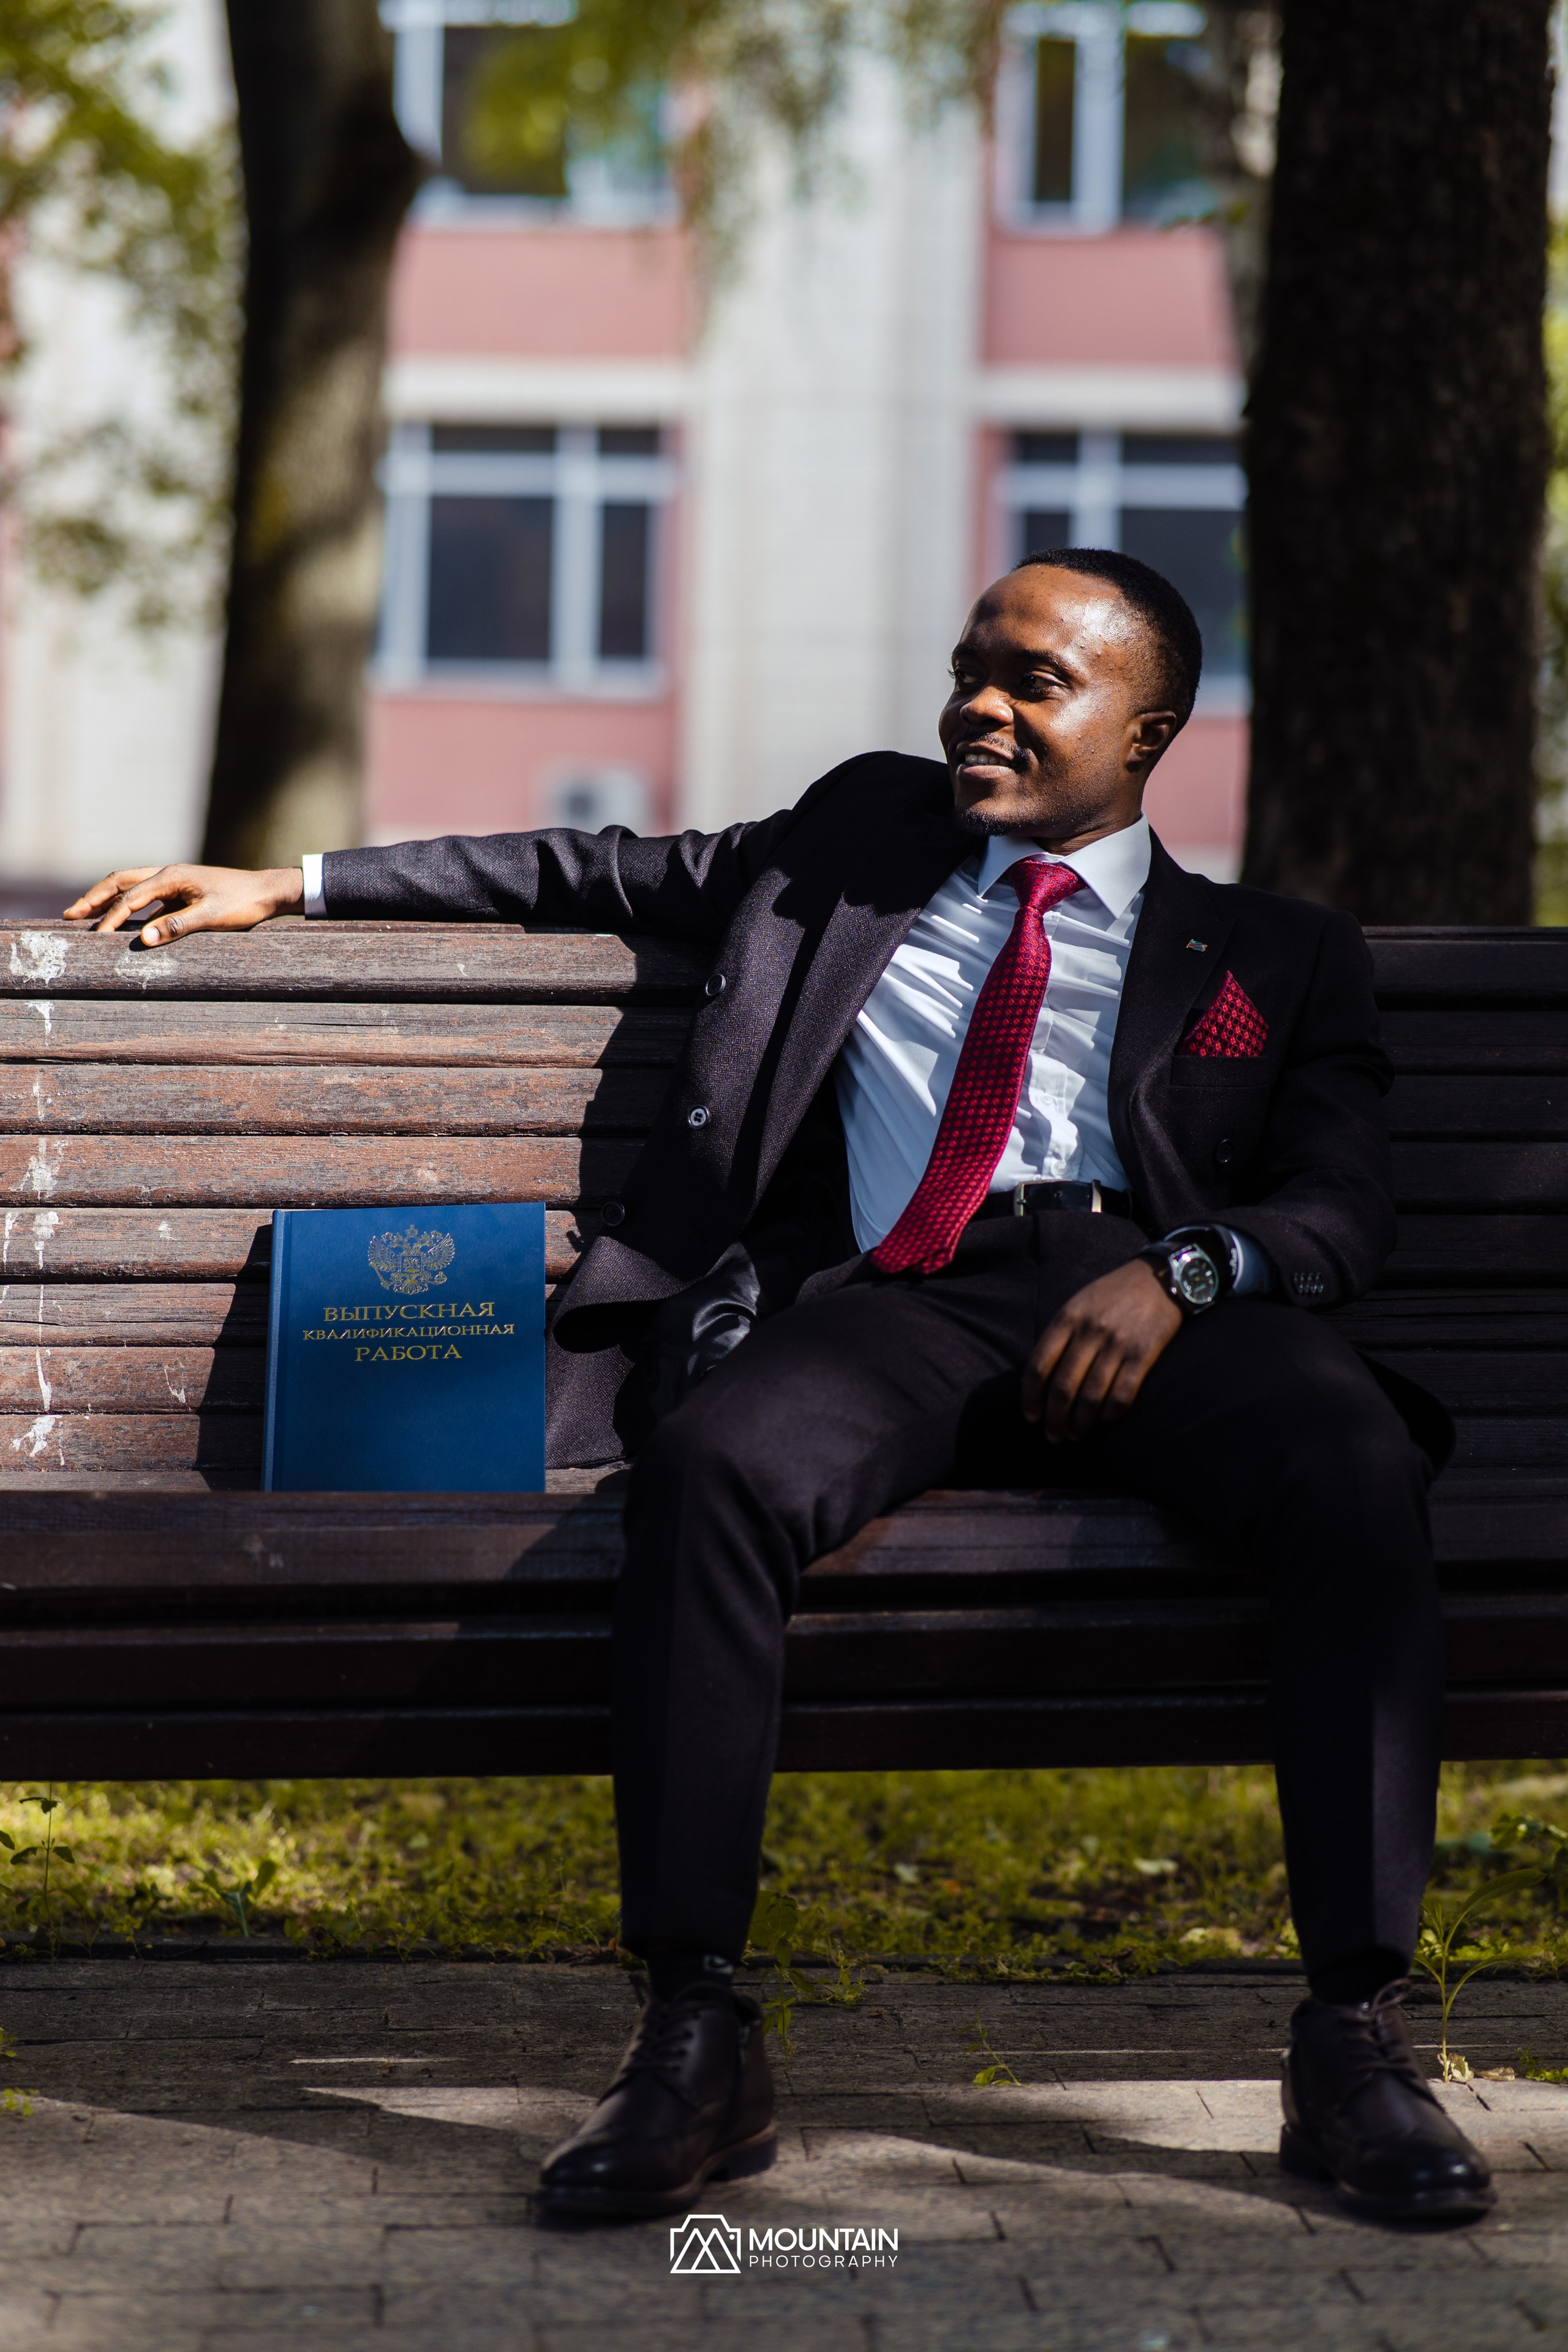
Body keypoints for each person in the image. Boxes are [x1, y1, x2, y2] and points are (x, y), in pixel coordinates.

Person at [71, 548, 1490, 2228]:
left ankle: (1354, 2037)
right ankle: (695, 2030)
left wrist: (1187, 1273)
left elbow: (1339, 1207)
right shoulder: (855, 850)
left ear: (1148, 731)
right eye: (970, 668)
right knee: (714, 1471)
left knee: (1352, 1463)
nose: (980, 705)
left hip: (1159, 1299)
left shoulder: (1274, 951)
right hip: (905, 1296)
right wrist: (291, 882)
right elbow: (587, 864)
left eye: (1036, 681)